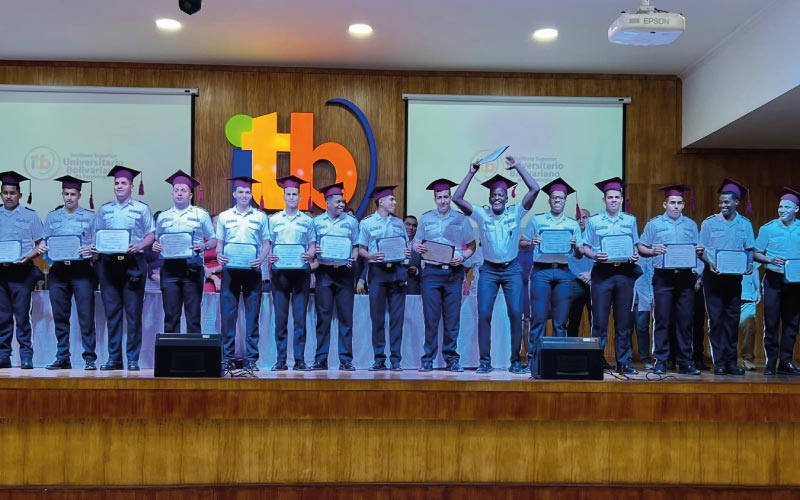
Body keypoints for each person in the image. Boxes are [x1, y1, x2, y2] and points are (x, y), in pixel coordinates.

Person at [452, 156, 540, 374]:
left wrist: (518, 166)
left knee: (515, 313)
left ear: (505, 198)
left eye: (500, 195)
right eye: (494, 195)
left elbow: (535, 189)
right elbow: (457, 197)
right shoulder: (481, 214)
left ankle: (515, 361)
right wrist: (471, 172)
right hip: (489, 270)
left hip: (511, 270)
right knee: (484, 313)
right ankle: (484, 362)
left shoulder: (516, 213)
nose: (497, 198)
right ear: (490, 198)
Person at [94, 165, 155, 371]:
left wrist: (139, 245)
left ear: (132, 186)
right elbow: (97, 235)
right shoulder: (104, 209)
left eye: (123, 183)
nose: (119, 186)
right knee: (112, 313)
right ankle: (114, 358)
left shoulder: (142, 208)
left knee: (133, 314)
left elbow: (151, 234)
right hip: (109, 265)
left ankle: (132, 359)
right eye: (117, 183)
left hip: (133, 264)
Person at [637, 184, 703, 375]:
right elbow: (641, 246)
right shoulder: (654, 224)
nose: (676, 206)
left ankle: (685, 361)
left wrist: (698, 264)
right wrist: (651, 251)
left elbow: (696, 250)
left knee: (685, 321)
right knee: (662, 319)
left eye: (679, 203)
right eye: (672, 203)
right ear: (664, 204)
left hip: (685, 277)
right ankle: (661, 360)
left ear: (683, 205)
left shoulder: (691, 224)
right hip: (663, 277)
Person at [520, 177, 582, 377]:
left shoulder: (573, 224)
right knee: (538, 318)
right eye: (554, 197)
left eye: (561, 198)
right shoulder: (538, 220)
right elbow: (521, 242)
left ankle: (557, 360)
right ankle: (533, 360)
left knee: (560, 321)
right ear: (549, 200)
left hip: (564, 273)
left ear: (565, 201)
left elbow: (580, 254)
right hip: (541, 272)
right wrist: (532, 242)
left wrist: (575, 246)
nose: (557, 201)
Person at [413, 178, 476, 372]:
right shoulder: (425, 219)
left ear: (450, 198)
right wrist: (417, 247)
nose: (443, 201)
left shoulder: (461, 219)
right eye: (439, 197)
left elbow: (472, 245)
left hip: (453, 273)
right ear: (434, 199)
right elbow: (416, 243)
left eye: (446, 197)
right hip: (431, 273)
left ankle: (451, 359)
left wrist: (463, 256)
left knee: (452, 319)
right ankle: (428, 359)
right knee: (431, 319)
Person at [581, 177, 640, 375]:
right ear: (604, 200)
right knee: (599, 322)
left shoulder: (630, 220)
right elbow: (585, 247)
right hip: (602, 274)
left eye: (617, 197)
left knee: (624, 321)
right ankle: (596, 362)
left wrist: (634, 254)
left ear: (621, 199)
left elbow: (635, 244)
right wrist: (594, 255)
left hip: (624, 273)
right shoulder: (594, 221)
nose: (613, 200)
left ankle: (624, 362)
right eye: (610, 197)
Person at [698, 178, 756, 376]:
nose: (723, 205)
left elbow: (749, 249)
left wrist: (748, 265)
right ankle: (720, 362)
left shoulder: (745, 224)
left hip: (733, 278)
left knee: (732, 320)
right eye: (721, 202)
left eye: (727, 202)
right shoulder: (709, 223)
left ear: (736, 203)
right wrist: (709, 263)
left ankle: (732, 362)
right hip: (713, 276)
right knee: (716, 320)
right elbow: (701, 249)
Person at [39, 175, 97, 370]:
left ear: (79, 194)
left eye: (73, 194)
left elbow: (97, 244)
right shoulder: (52, 217)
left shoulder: (90, 217)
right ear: (62, 194)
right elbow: (45, 242)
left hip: (82, 271)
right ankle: (62, 356)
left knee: (85, 316)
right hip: (58, 272)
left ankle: (89, 357)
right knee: (60, 316)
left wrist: (91, 249)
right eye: (66, 194)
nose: (69, 197)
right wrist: (44, 250)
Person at [215, 176, 271, 372]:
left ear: (251, 194)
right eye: (241, 192)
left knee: (252, 317)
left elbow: (266, 243)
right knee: (228, 317)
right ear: (234, 194)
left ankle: (251, 359)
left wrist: (261, 259)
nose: (244, 195)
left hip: (252, 271)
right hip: (230, 271)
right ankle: (228, 358)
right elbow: (220, 243)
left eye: (247, 192)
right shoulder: (224, 216)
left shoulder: (260, 217)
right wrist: (219, 255)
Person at [152, 170, 216, 334]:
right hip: (170, 270)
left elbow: (213, 239)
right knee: (171, 317)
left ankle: (193, 358)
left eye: (183, 191)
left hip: (192, 269)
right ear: (172, 193)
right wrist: (156, 246)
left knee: (193, 317)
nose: (179, 194)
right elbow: (158, 240)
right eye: (176, 190)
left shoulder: (201, 214)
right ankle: (171, 358)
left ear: (190, 195)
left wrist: (204, 246)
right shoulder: (163, 216)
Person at [358, 185, 411, 371]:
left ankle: (395, 359)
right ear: (381, 202)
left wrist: (406, 252)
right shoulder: (366, 223)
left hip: (397, 271)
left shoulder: (398, 223)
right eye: (392, 200)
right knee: (378, 318)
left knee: (397, 318)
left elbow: (406, 246)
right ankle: (379, 358)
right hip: (377, 272)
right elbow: (362, 249)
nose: (395, 202)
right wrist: (371, 255)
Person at [268, 175, 316, 371]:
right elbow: (268, 245)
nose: (291, 197)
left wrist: (310, 254)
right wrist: (270, 255)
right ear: (283, 196)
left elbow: (312, 245)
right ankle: (280, 360)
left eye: (294, 194)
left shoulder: (307, 220)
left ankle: (299, 360)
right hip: (280, 274)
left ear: (299, 196)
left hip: (300, 274)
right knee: (280, 319)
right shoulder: (273, 220)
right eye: (288, 194)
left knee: (299, 319)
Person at [311, 182, 359, 371]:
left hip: (345, 274)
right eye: (338, 201)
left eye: (343, 201)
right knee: (323, 318)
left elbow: (355, 246)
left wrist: (353, 258)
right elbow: (312, 247)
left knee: (346, 318)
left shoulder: (351, 222)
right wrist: (317, 250)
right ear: (327, 203)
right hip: (325, 273)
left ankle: (346, 359)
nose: (342, 204)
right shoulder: (317, 222)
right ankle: (320, 358)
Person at [754, 187, 800, 375]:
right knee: (771, 322)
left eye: (786, 207)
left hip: (796, 282)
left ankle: (786, 361)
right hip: (773, 280)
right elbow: (755, 253)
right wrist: (770, 260)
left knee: (792, 323)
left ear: (796, 209)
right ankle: (771, 362)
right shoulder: (768, 228)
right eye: (780, 207)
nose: (782, 210)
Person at [0, 171, 44, 369]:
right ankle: (3, 356)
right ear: (1, 194)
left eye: (12, 192)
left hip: (22, 272)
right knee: (2, 316)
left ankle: (26, 356)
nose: (8, 196)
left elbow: (40, 243)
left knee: (22, 316)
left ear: (19, 194)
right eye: (5, 192)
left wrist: (30, 255)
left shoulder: (30, 215)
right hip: (1, 272)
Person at [567, 208, 592, 337]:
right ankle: (570, 353)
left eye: (584, 217)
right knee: (573, 318)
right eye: (578, 218)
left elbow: (601, 257)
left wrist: (591, 273)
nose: (581, 220)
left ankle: (596, 355)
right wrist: (580, 275)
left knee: (595, 319)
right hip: (576, 281)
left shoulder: (596, 234)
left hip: (594, 280)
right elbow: (569, 260)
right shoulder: (571, 236)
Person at [632, 257, 654, 371]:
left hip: (643, 296)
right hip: (626, 297)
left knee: (643, 328)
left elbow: (650, 274)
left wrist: (652, 294)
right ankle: (625, 360)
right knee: (624, 329)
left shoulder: (645, 255)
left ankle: (645, 359)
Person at [738, 262, 761, 371]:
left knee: (750, 330)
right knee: (727, 331)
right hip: (730, 296)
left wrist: (758, 289)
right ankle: (728, 360)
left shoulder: (749, 250)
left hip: (748, 297)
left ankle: (747, 359)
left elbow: (755, 268)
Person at [404, 215, 422, 295]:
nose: (411, 228)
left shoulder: (422, 245)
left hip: (414, 288)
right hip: (395, 288)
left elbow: (427, 269)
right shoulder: (395, 242)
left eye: (414, 226)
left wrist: (417, 271)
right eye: (408, 224)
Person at [204, 215, 222, 292]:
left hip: (223, 273)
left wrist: (212, 271)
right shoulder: (202, 242)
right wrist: (213, 276)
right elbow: (197, 262)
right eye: (217, 223)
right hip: (206, 275)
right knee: (207, 288)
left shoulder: (226, 242)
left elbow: (228, 263)